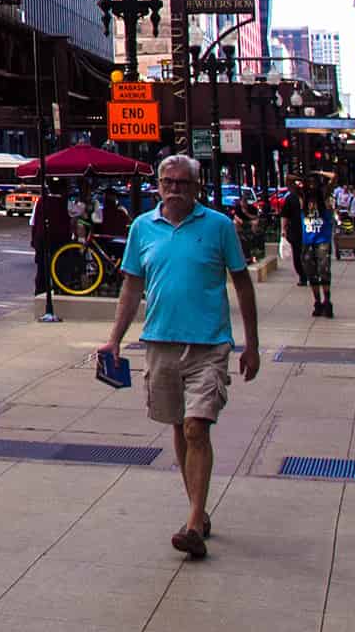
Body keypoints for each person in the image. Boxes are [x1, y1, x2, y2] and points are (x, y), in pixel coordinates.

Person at [101, 154, 259, 562]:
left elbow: (242, 284)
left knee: (195, 428)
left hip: (208, 345)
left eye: (182, 183)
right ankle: (199, 511)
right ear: (158, 185)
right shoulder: (142, 228)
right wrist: (114, 339)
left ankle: (191, 525)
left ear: (196, 187)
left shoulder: (219, 227)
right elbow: (132, 289)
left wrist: (252, 345)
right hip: (160, 342)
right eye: (167, 182)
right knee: (177, 425)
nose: (174, 189)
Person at [30, 179, 73, 322]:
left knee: (42, 272)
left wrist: (34, 241)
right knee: (59, 271)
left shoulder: (41, 202)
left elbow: (34, 222)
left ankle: (41, 302)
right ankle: (57, 298)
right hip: (61, 242)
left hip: (42, 241)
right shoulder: (65, 203)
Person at [297, 176, 336, 318]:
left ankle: (327, 301)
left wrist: (319, 172)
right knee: (311, 273)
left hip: (322, 241)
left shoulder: (324, 202)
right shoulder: (303, 203)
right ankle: (317, 302)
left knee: (324, 271)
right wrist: (302, 177)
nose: (312, 205)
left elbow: (333, 178)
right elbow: (289, 181)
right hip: (308, 242)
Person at [278, 182, 310, 287]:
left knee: (309, 254)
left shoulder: (310, 197)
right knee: (297, 255)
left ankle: (311, 273)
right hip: (295, 231)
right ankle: (302, 275)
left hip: (310, 230)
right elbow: (284, 215)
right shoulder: (290, 198)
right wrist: (283, 229)